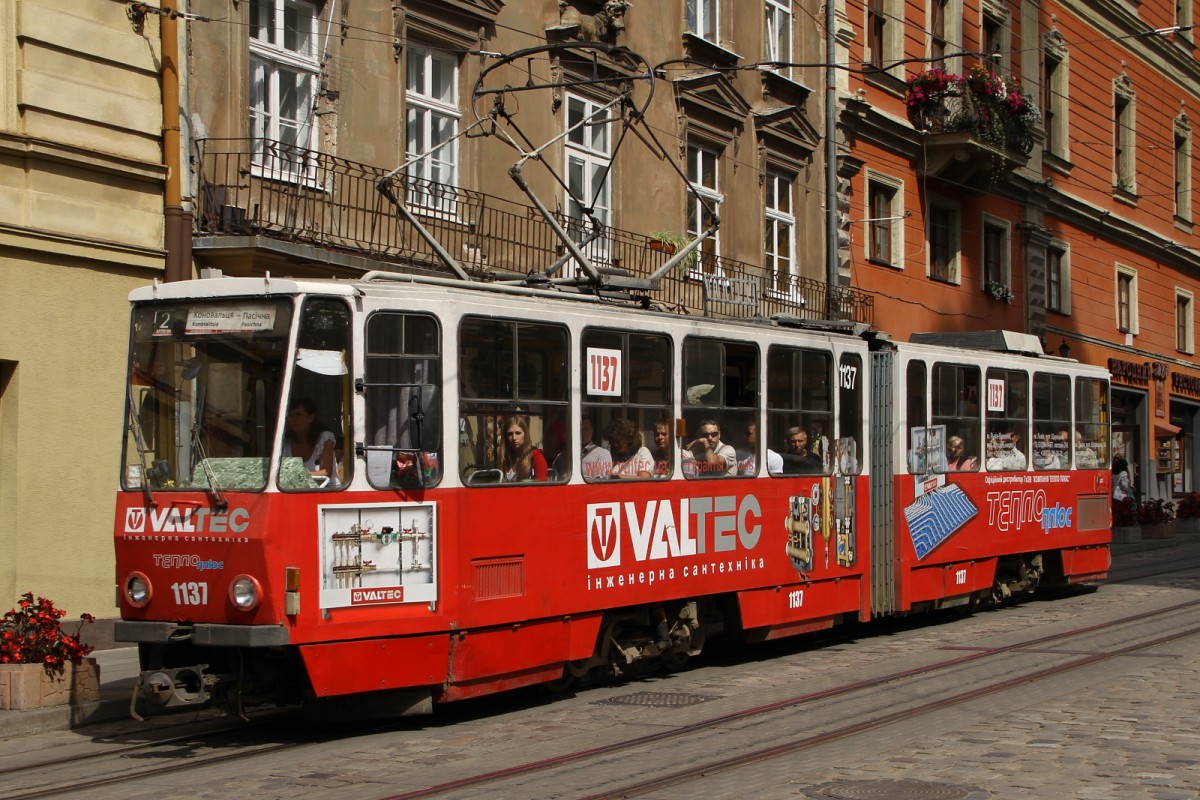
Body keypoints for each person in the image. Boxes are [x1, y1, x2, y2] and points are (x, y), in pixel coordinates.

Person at [282, 397, 339, 486]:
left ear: (311, 417)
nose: (293, 420)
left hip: (326, 491)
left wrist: (299, 475)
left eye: (298, 414)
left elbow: (326, 473)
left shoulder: (325, 437)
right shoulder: (286, 443)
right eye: (290, 415)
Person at [500, 416, 548, 482]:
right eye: (510, 434)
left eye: (518, 433)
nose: (514, 438)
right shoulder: (505, 458)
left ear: (525, 434)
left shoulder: (536, 456)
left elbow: (543, 487)